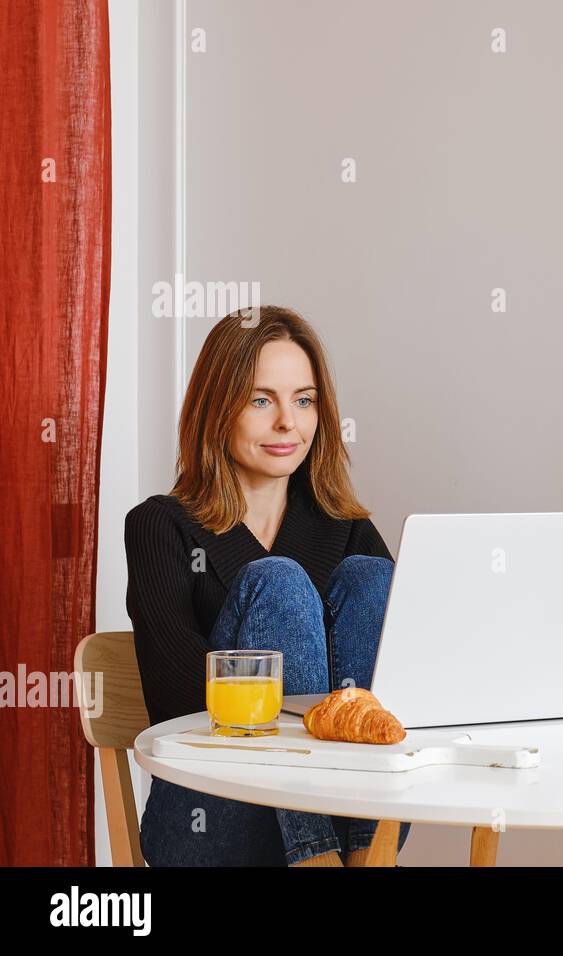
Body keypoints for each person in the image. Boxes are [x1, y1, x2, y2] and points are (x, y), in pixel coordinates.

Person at [124, 304, 410, 866]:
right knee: (278, 583)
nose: (288, 423)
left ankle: (366, 858)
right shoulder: (162, 525)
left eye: (303, 401)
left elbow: (406, 688)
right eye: (262, 400)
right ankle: (317, 860)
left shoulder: (346, 528)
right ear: (216, 410)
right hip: (214, 814)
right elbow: (176, 705)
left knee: (373, 579)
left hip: (357, 820)